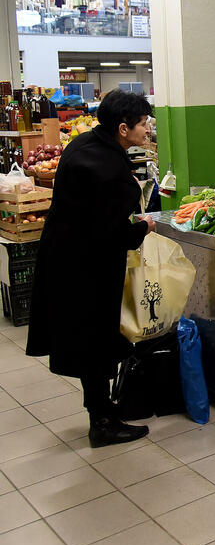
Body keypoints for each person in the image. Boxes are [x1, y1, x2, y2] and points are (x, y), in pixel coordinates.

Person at [26, 91, 155, 448]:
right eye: (144, 123)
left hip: (66, 258)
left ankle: (101, 411)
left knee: (86, 339)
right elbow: (114, 233)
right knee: (95, 340)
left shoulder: (85, 145)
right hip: (88, 268)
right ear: (124, 127)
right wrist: (143, 228)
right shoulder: (109, 170)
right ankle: (102, 421)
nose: (148, 129)